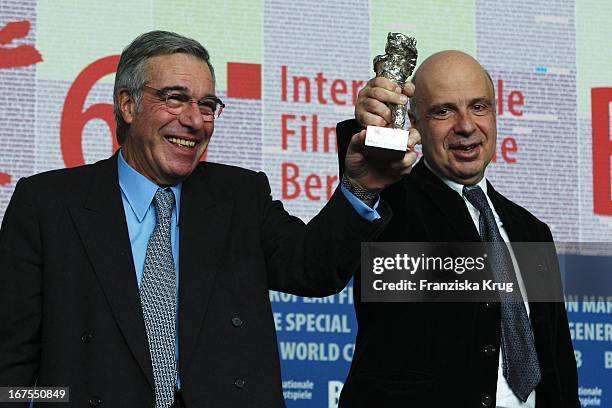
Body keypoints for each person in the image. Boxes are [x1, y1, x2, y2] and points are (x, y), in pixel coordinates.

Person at [0, 31, 406, 408]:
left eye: (207, 105)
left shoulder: (241, 196)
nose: (195, 121)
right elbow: (11, 362)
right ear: (127, 104)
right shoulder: (47, 205)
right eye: (175, 98)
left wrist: (358, 186)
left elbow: (311, 268)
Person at [335, 50, 579, 407]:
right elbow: (358, 200)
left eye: (479, 106)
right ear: (414, 123)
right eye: (444, 111)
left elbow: (556, 364)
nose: (466, 126)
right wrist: (369, 128)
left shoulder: (532, 231)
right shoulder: (392, 207)